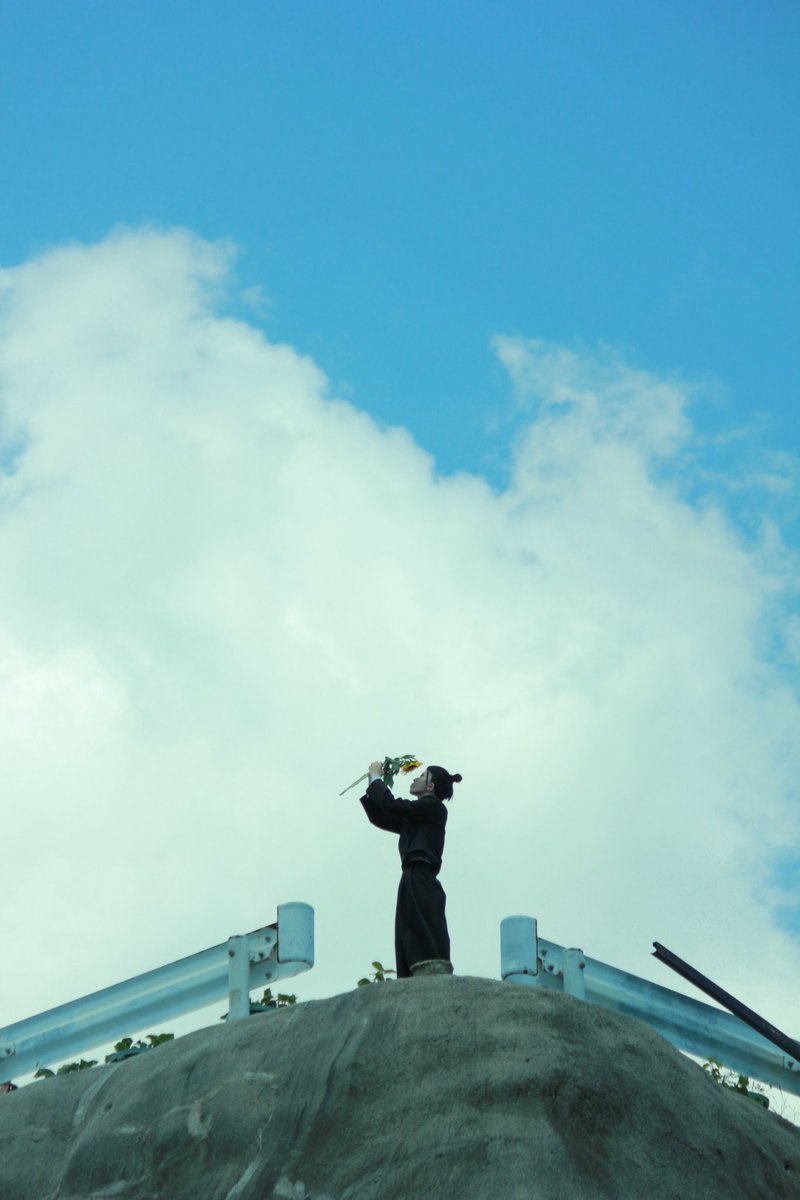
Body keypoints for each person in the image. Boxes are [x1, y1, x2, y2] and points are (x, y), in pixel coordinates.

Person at [360, 761, 462, 978]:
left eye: (422, 776)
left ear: (431, 786)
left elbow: (391, 805)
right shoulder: (418, 815)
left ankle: (426, 971)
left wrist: (376, 779)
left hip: (421, 874)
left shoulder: (433, 807)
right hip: (412, 875)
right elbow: (381, 817)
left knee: (419, 929)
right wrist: (372, 782)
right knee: (407, 931)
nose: (415, 778)